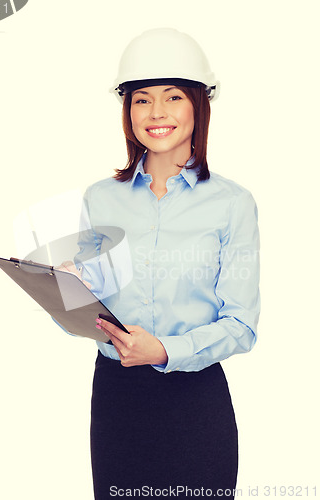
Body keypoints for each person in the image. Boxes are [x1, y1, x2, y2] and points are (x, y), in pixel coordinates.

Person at [68, 28, 260, 499]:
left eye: (173, 97)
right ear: (126, 110)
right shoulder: (100, 199)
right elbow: (84, 313)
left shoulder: (232, 204)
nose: (156, 114)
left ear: (199, 104)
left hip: (195, 403)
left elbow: (242, 324)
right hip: (116, 401)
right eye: (141, 100)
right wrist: (66, 293)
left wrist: (166, 351)